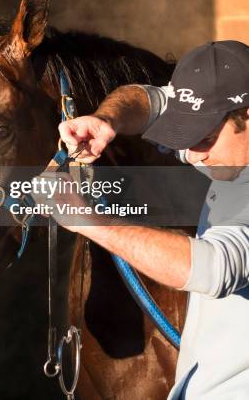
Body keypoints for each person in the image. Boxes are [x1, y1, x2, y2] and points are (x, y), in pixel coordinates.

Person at [45, 40, 249, 399]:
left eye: (205, 138)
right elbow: (150, 99)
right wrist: (106, 121)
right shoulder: (228, 150)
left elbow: (217, 266)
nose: (194, 156)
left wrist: (89, 221)